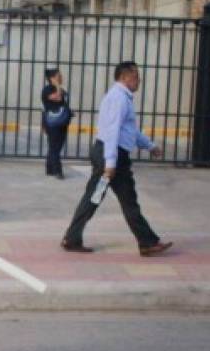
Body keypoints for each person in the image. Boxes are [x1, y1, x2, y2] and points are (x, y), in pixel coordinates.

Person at [61, 61, 173, 256]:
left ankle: (72, 238)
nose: (139, 80)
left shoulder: (121, 97)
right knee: (127, 201)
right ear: (124, 77)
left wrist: (150, 145)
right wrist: (110, 163)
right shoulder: (119, 98)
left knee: (95, 197)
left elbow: (129, 130)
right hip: (113, 157)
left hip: (107, 154)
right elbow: (112, 132)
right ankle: (147, 242)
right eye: (136, 76)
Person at [41, 68, 71, 179]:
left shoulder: (59, 89)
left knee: (55, 146)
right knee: (55, 147)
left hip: (61, 122)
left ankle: (50, 169)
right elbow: (57, 98)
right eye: (59, 75)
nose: (61, 77)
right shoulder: (47, 89)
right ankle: (58, 171)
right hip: (53, 123)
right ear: (52, 78)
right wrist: (57, 85)